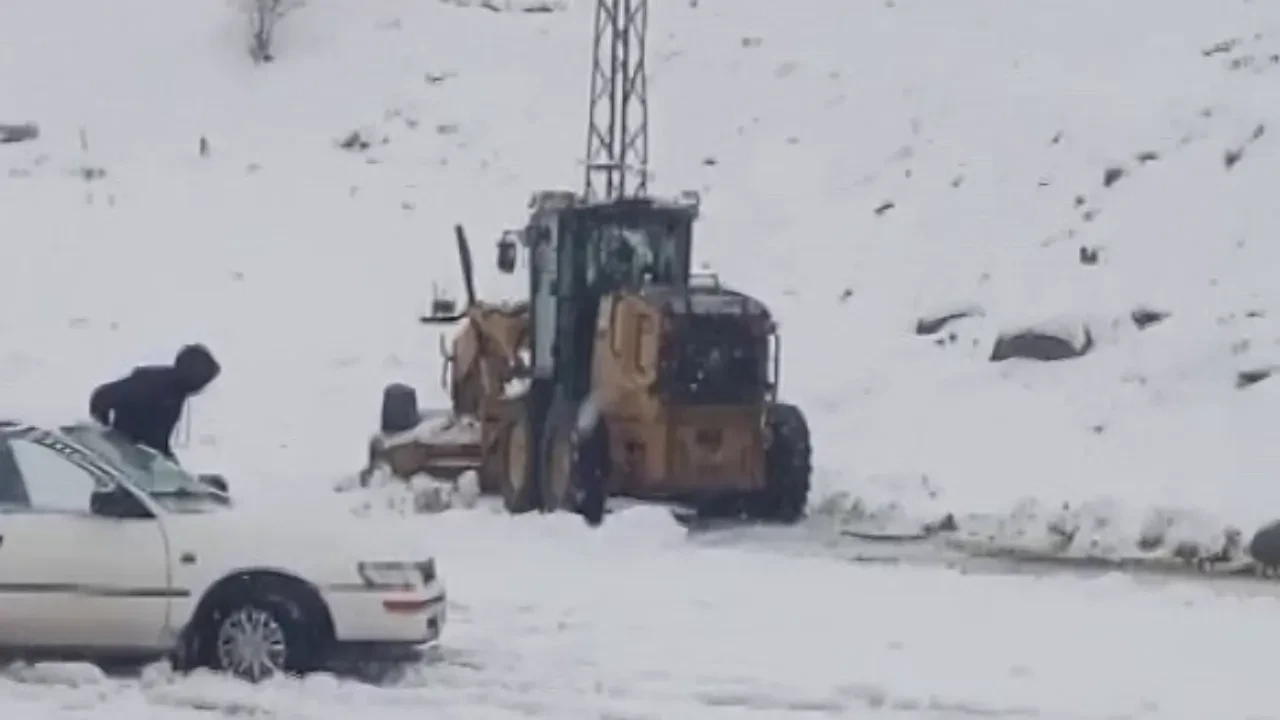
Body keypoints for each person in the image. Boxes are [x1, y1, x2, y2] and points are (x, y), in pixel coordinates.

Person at [89, 344, 221, 461]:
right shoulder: (152, 384)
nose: (202, 388)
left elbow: (157, 438)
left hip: (137, 459)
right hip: (123, 457)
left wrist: (170, 461)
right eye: (203, 381)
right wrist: (108, 435)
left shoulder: (175, 392)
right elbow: (103, 397)